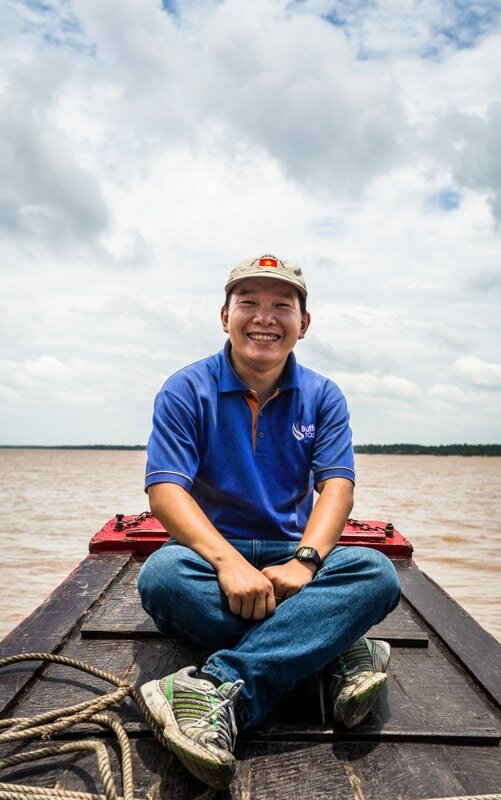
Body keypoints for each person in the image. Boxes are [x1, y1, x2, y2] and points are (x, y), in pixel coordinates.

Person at [137, 254, 401, 790]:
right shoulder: (186, 389)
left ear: (303, 324)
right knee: (162, 578)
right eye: (249, 304)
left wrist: (305, 562)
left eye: (282, 305)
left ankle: (216, 687)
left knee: (375, 573)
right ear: (224, 315)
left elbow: (338, 487)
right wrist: (228, 562)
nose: (265, 317)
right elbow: (166, 491)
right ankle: (332, 647)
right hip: (212, 557)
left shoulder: (324, 395)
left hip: (290, 555)